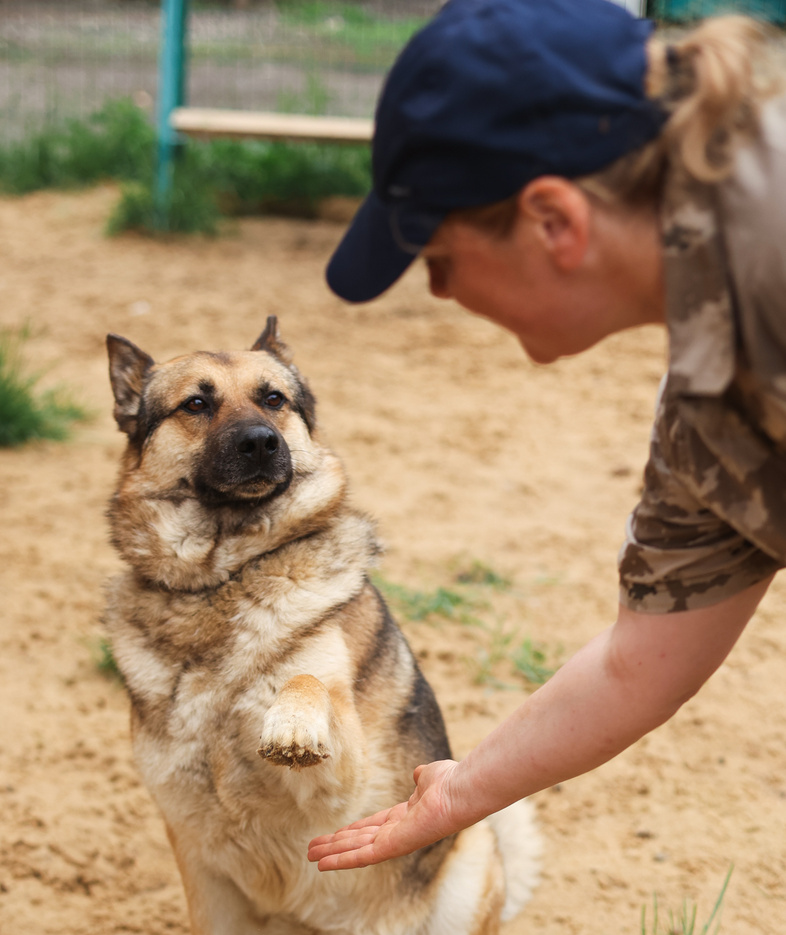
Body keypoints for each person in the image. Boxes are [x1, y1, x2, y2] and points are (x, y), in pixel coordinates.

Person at [308, 0, 786, 872]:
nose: (444, 293)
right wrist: (461, 789)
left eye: (440, 259)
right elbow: (639, 662)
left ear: (555, 222)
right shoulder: (712, 382)